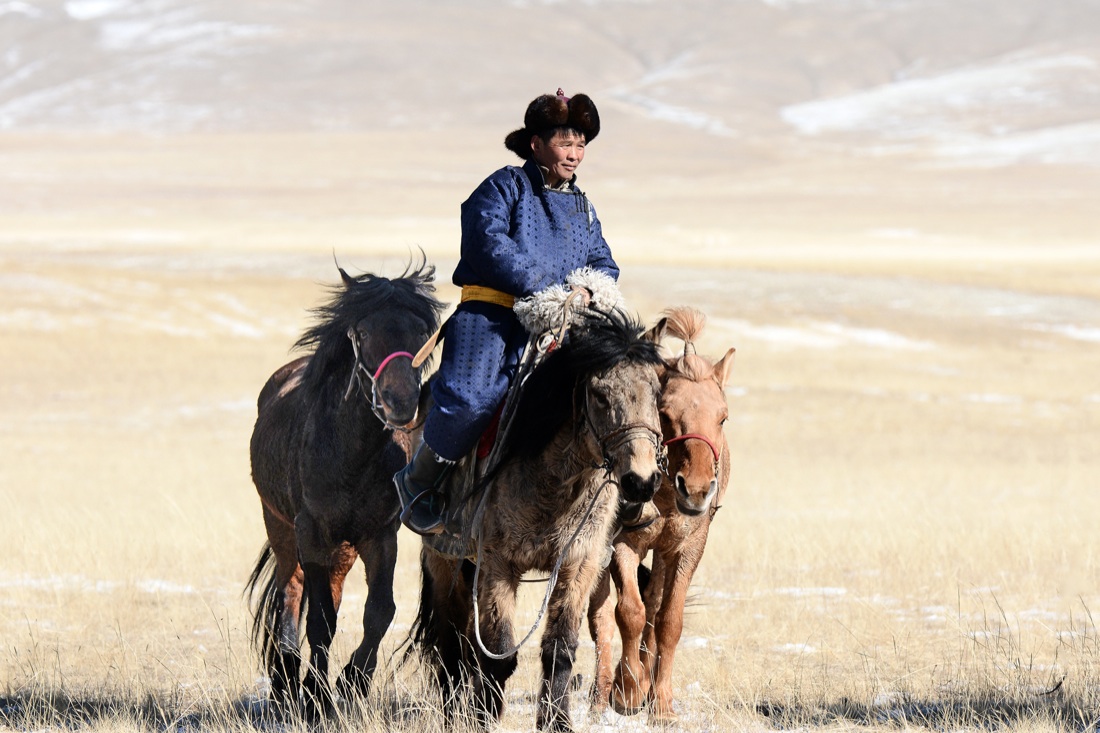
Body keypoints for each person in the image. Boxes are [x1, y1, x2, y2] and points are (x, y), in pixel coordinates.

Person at [394, 88, 648, 536]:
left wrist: (589, 290)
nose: (575, 154)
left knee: (609, 389)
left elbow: (603, 262)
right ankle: (418, 482)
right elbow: (487, 242)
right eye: (565, 143)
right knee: (473, 397)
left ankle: (627, 487)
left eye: (581, 144)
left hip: (561, 321)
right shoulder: (503, 187)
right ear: (536, 144)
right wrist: (548, 288)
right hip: (493, 317)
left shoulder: (584, 208)